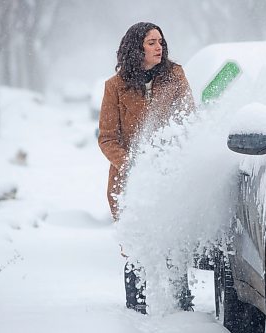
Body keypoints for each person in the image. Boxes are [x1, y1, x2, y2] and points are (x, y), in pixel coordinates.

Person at [98, 22, 195, 314]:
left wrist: (172, 155)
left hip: (169, 175)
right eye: (152, 42)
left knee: (173, 239)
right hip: (129, 182)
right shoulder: (114, 87)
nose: (159, 47)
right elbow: (107, 138)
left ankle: (182, 307)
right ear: (136, 47)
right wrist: (132, 165)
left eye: (160, 42)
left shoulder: (175, 76)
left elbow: (188, 119)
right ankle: (136, 308)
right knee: (135, 245)